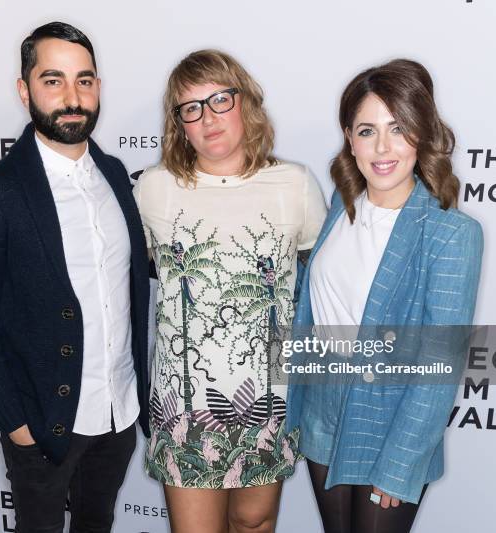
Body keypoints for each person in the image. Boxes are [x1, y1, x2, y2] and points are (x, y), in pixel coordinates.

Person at [0, 21, 150, 533]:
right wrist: (18, 428)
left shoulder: (116, 178)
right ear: (25, 90)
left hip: (119, 414)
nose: (72, 96)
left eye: (84, 80)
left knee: (96, 524)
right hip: (43, 426)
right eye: (53, 80)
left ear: (98, 88)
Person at [132, 49, 326, 533]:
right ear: (179, 123)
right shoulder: (154, 188)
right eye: (191, 108)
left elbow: (317, 281)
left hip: (270, 400)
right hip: (184, 405)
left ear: (245, 102)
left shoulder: (295, 185)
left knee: (255, 521)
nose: (208, 118)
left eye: (220, 99)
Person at [286, 59, 483, 533]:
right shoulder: (340, 205)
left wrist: (401, 465)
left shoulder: (450, 234)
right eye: (367, 130)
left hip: (390, 424)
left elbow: (439, 366)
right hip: (321, 414)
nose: (382, 147)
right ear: (349, 139)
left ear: (421, 134)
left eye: (398, 128)